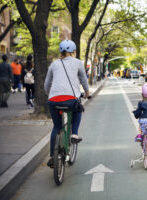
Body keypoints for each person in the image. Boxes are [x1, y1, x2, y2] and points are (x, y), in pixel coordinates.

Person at [44, 40, 90, 168]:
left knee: (57, 127)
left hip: (53, 100)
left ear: (60, 51)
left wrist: (49, 95)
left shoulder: (54, 64)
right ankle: (74, 134)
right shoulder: (77, 63)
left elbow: (47, 83)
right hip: (71, 99)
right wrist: (86, 92)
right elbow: (83, 79)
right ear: (73, 51)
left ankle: (53, 157)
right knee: (78, 110)